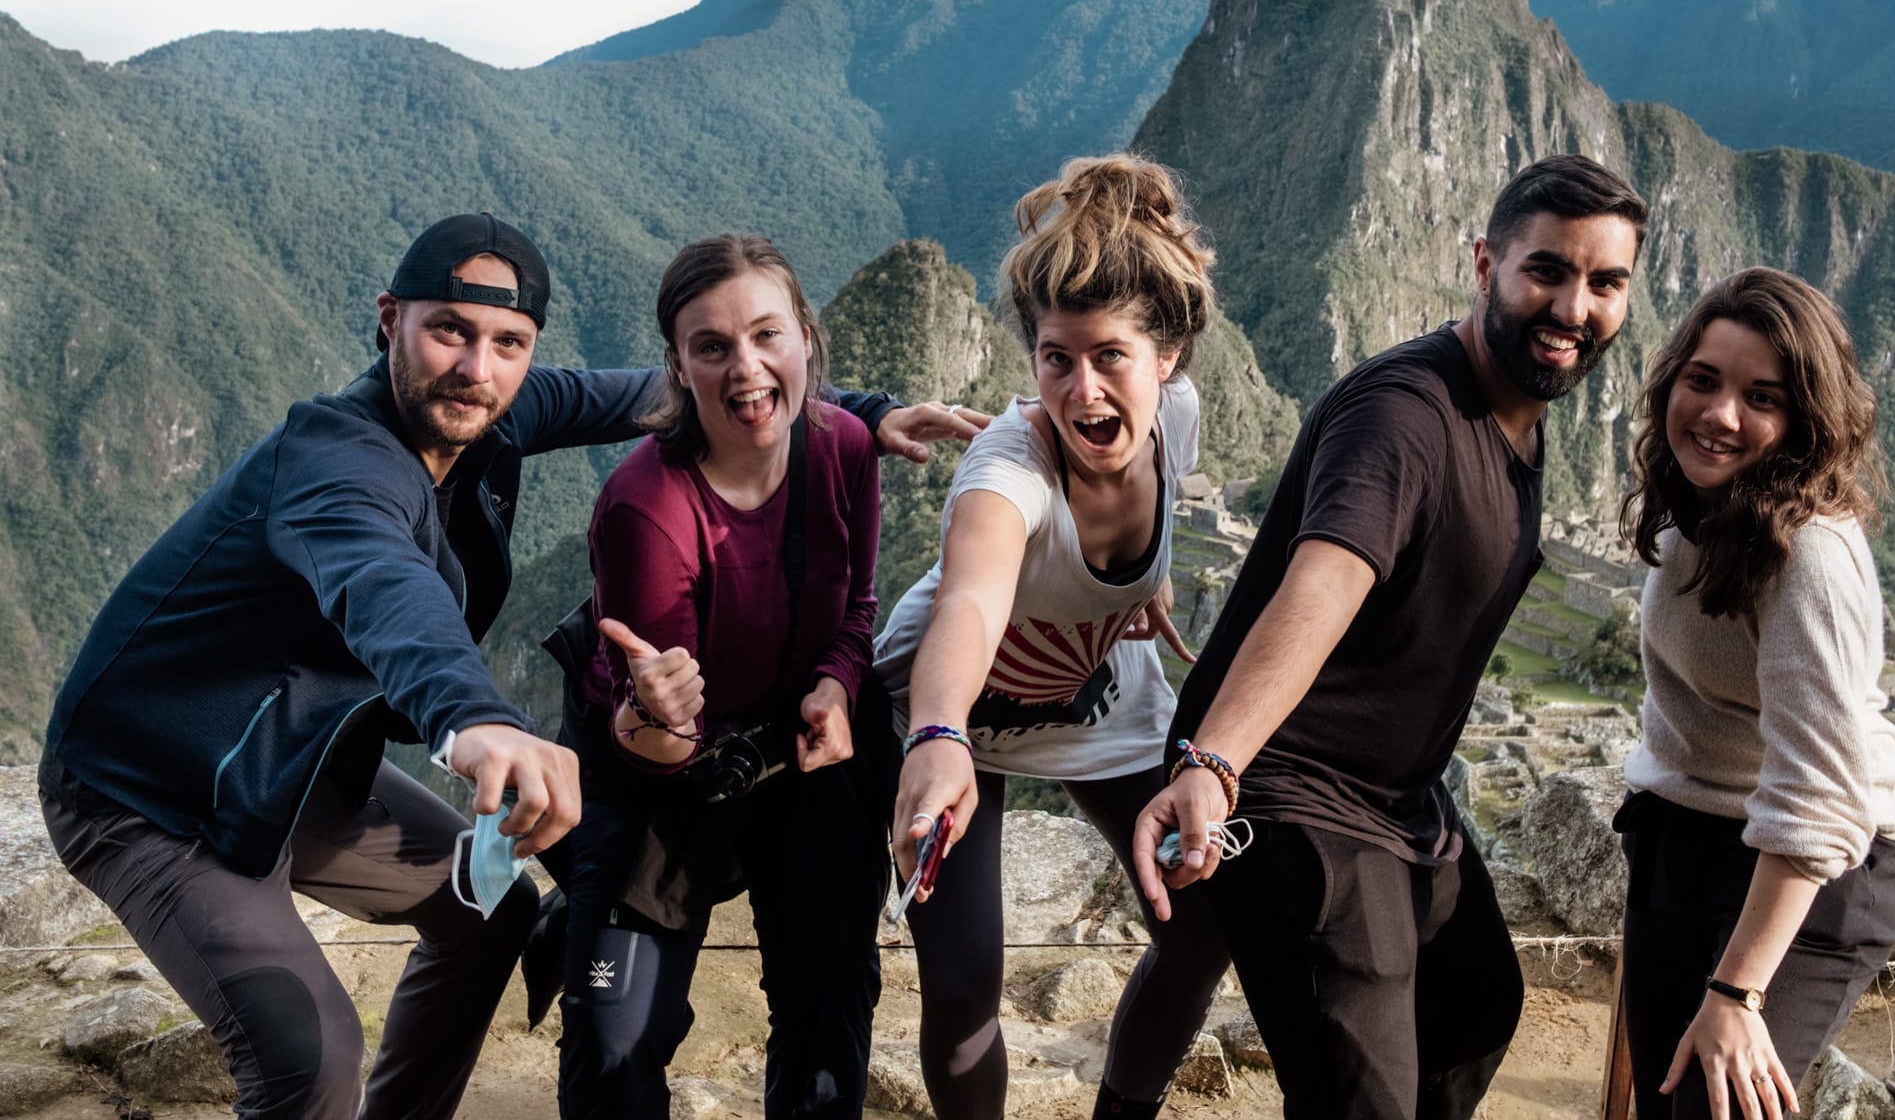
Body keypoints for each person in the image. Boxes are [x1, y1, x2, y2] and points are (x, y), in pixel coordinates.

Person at [38, 212, 981, 1120]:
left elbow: (687, 391)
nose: (475, 367)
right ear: (387, 320)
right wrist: (477, 717)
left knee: (486, 914)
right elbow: (385, 588)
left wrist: (862, 410)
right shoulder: (334, 465)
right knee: (309, 1051)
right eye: (448, 330)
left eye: (507, 341)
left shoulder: (500, 409)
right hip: (150, 790)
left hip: (301, 768)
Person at [1134, 153, 1649, 1120]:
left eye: (1605, 282)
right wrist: (1213, 762)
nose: (1574, 307)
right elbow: (1323, 585)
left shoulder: (1523, 416)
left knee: (1475, 1005)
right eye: (1547, 270)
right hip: (1288, 789)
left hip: (1398, 797)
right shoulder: (1405, 416)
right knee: (1359, 1090)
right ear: (1485, 261)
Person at [884, 154, 1233, 1120]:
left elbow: (1137, 538)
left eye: (1110, 355)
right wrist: (938, 735)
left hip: (1095, 689)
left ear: (1167, 359)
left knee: (1199, 926)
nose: (1082, 393)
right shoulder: (1006, 474)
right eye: (1056, 358)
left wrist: (1136, 594)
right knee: (962, 988)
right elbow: (971, 606)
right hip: (953, 715)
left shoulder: (1177, 424)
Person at [546, 235, 885, 1119]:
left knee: (831, 1004)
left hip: (794, 752)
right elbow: (658, 752)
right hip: (654, 777)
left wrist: (840, 683)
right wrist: (655, 716)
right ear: (678, 366)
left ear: (806, 338)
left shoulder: (845, 447)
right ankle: (588, 921)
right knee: (612, 1045)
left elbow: (859, 603)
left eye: (767, 335)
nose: (747, 368)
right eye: (712, 346)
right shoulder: (647, 508)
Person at [1614, 267, 1895, 1120]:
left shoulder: (1808, 558)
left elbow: (1822, 797)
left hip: (1811, 869)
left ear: (1803, 421)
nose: (1720, 414)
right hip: (1690, 836)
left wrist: (1738, 992)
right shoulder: (1698, 511)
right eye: (1703, 380)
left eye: (1762, 396)